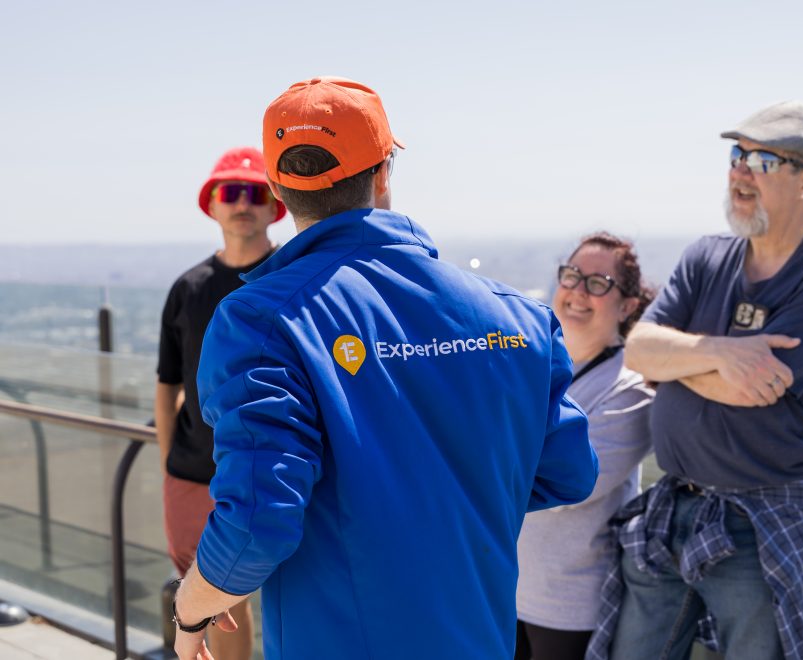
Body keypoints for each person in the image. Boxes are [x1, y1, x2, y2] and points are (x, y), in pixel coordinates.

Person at [170, 76, 599, 660]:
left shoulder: (260, 320)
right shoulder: (519, 317)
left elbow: (254, 525)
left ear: (278, 189)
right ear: (383, 173)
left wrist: (190, 609)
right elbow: (568, 472)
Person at [587, 101, 803, 660]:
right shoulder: (707, 256)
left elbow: (749, 392)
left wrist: (681, 363)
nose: (739, 170)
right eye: (736, 155)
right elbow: (639, 349)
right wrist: (721, 353)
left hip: (766, 519)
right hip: (676, 505)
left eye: (762, 159)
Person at [155, 146, 285, 659]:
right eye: (230, 192)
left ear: (274, 205)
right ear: (212, 204)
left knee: (270, 598)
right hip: (192, 472)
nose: (242, 204)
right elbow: (167, 383)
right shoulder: (188, 288)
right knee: (208, 600)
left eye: (255, 192)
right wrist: (171, 462)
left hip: (275, 467)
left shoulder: (289, 277)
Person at [515, 232, 654, 660]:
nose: (578, 292)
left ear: (628, 306)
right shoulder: (533, 364)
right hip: (504, 587)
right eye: (572, 276)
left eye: (598, 283)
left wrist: (488, 460)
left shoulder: (632, 390)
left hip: (568, 608)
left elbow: (571, 486)